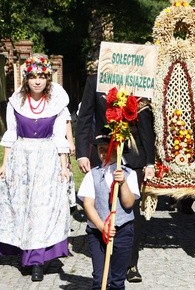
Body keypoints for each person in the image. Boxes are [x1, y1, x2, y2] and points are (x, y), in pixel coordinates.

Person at [0, 54, 71, 282]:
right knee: (22, 207)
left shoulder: (56, 103)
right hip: (21, 161)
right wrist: (4, 164)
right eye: (33, 77)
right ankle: (24, 252)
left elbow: (59, 137)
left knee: (42, 209)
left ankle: (37, 261)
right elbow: (11, 135)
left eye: (41, 77)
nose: (37, 81)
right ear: (26, 79)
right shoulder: (16, 103)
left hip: (46, 161)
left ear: (47, 79)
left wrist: (64, 167)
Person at [75, 73, 155, 282]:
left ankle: (130, 263)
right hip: (104, 149)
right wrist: (82, 152)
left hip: (132, 154)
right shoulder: (94, 81)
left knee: (129, 210)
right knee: (101, 201)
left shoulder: (138, 81)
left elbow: (146, 122)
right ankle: (103, 256)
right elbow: (85, 117)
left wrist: (149, 162)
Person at [77, 132, 140, 290]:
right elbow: (88, 204)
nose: (102, 153)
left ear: (117, 150)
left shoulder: (129, 174)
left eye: (107, 149)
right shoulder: (93, 175)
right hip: (97, 232)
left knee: (117, 280)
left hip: (123, 229)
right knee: (99, 279)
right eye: (100, 150)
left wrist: (123, 183)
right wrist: (102, 226)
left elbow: (128, 203)